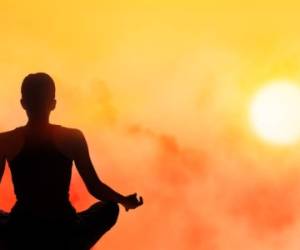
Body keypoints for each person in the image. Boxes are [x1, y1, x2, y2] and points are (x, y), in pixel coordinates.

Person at [0, 73, 143, 249]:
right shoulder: (72, 137)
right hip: (65, 228)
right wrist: (123, 201)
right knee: (110, 208)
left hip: (21, 230)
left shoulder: (5, 141)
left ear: (23, 103)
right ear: (52, 104)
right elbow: (94, 186)